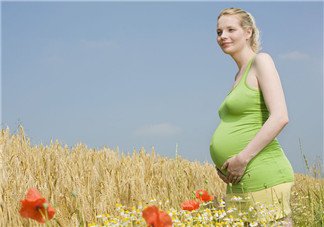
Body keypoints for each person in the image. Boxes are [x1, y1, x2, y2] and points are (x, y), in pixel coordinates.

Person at [209, 7, 295, 226]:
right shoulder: (238, 75)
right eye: (219, 32)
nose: (223, 36)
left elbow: (280, 116)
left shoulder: (261, 61)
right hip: (238, 182)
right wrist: (226, 166)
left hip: (263, 176)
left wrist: (242, 158)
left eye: (230, 29)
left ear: (248, 32)